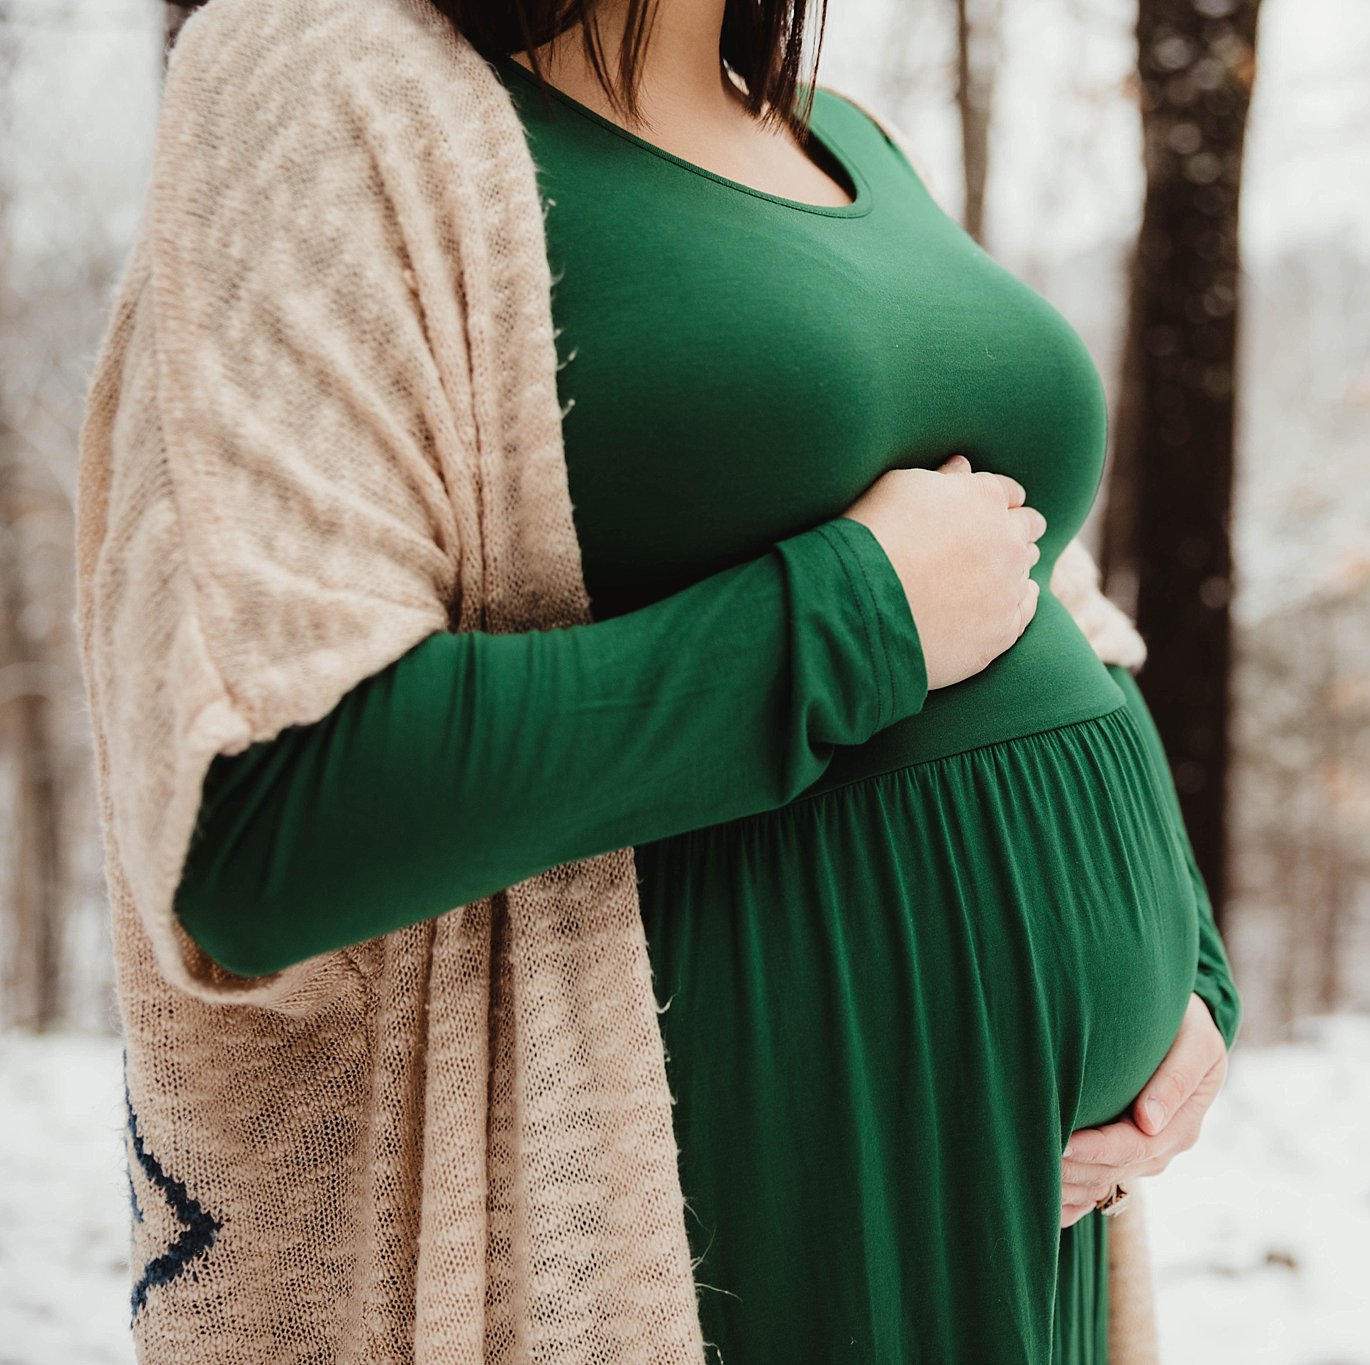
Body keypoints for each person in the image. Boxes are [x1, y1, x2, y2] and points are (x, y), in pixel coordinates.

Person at [90, 0, 1240, 1360]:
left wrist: (1193, 972)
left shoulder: (837, 132)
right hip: (740, 1214)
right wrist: (846, 625)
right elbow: (265, 814)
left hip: (1033, 1207)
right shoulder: (326, 79)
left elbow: (1032, 581)